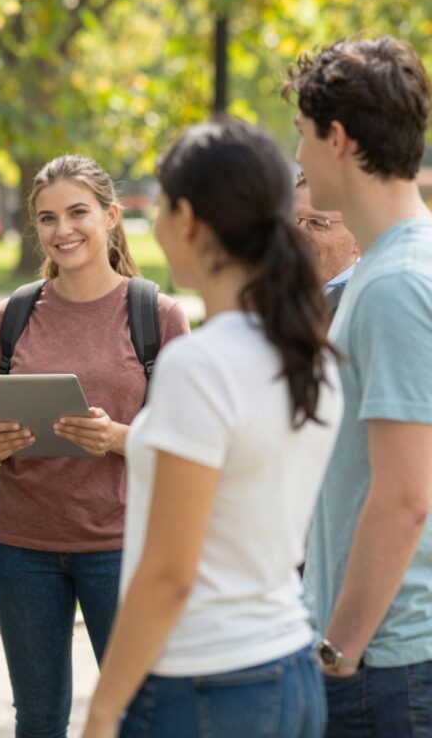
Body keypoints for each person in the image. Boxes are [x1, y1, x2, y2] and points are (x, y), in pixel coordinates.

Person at [81, 120, 342, 738]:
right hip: (289, 668)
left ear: (189, 220)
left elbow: (170, 574)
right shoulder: (310, 351)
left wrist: (101, 710)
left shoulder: (201, 364)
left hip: (201, 684)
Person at [0, 154, 189, 737]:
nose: (62, 230)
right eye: (47, 218)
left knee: (140, 713)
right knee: (38, 718)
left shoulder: (157, 314)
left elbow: (183, 446)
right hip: (22, 548)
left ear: (111, 216)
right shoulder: (11, 315)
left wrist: (119, 437)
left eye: (77, 213)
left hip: (120, 546)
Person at [287, 36, 432, 736]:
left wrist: (336, 651)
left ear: (338, 139)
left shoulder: (396, 283)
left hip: (383, 661)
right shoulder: (393, 265)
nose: (299, 158)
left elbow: (404, 497)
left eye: (303, 136)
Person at [293, 172, 359, 316]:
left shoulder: (362, 305)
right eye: (293, 218)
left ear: (359, 237)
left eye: (317, 223)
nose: (298, 232)